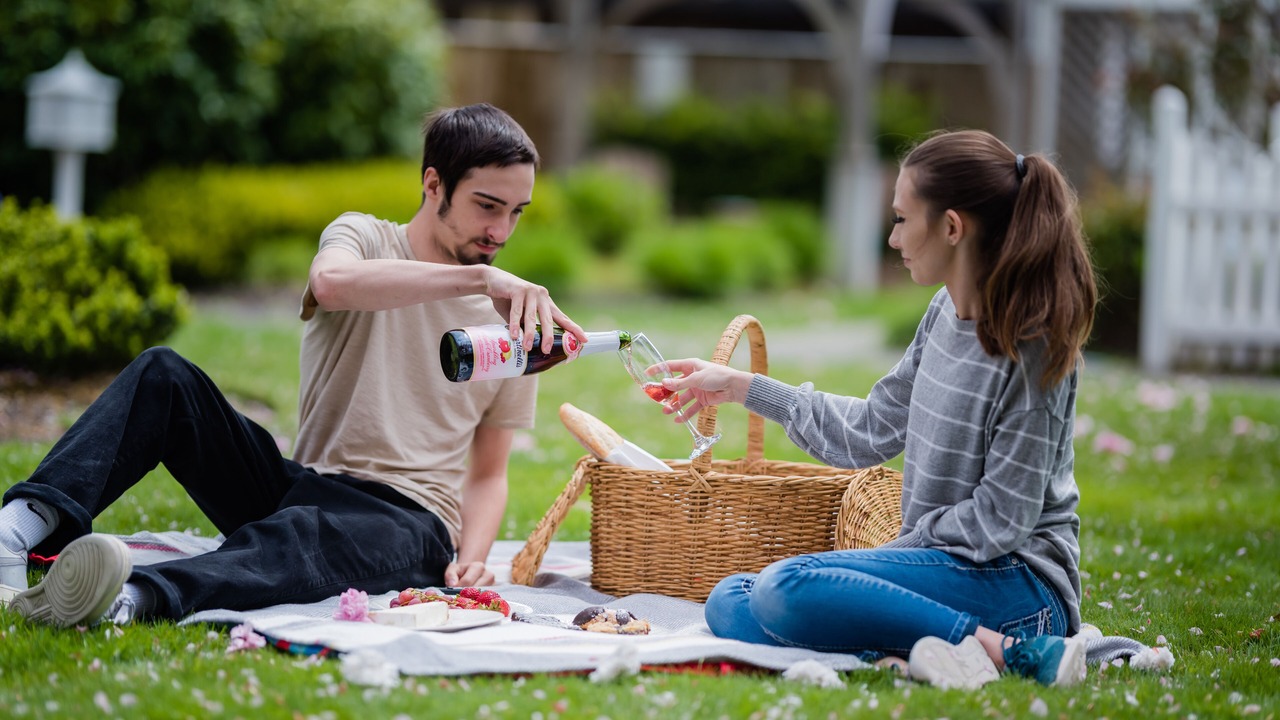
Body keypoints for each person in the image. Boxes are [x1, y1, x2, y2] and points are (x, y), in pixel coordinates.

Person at [0, 102, 585, 627]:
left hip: (409, 521)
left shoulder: (514, 323)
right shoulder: (364, 237)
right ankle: (19, 530)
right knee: (164, 376)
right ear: (434, 184)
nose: (501, 231)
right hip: (301, 487)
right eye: (488, 206)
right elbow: (331, 283)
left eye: (516, 212)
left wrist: (474, 558)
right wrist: (480, 279)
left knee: (298, 538)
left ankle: (127, 596)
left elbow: (488, 472)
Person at [660, 129, 1097, 689]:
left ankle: (1004, 648)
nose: (892, 239)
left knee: (785, 587)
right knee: (730, 600)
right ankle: (904, 653)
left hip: (1017, 584)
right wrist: (742, 386)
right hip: (941, 568)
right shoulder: (942, 313)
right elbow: (869, 430)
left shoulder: (1031, 346)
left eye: (899, 219)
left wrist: (889, 555)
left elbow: (1000, 521)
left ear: (952, 227)